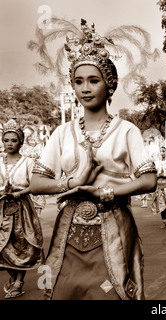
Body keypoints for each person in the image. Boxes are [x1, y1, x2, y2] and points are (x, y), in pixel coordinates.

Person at [29, 19, 157, 300]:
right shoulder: (63, 132)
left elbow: (149, 179)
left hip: (113, 225)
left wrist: (104, 191)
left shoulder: (126, 130)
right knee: (64, 292)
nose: (85, 88)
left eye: (93, 80)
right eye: (78, 81)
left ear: (109, 85)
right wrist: (72, 183)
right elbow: (36, 182)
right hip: (69, 230)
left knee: (110, 293)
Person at [0, 118, 44, 299]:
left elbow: (34, 185)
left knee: (22, 245)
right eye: (6, 140)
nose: (9, 144)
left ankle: (18, 282)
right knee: (2, 246)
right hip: (1, 208)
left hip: (21, 208)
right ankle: (12, 276)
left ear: (20, 142)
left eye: (14, 140)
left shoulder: (28, 162)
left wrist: (18, 193)